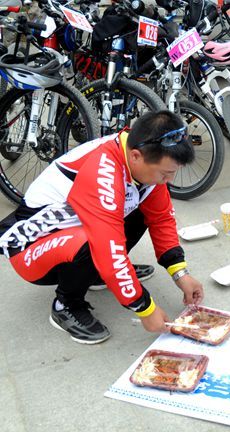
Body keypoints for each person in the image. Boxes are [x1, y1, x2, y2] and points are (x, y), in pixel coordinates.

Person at [0, 111, 204, 344]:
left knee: (141, 209)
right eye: (166, 173)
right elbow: (109, 250)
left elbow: (161, 219)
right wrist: (145, 308)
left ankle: (96, 275)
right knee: (96, 242)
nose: (168, 180)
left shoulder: (142, 154)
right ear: (136, 156)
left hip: (76, 230)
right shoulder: (104, 171)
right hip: (30, 249)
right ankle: (66, 304)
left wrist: (180, 274)